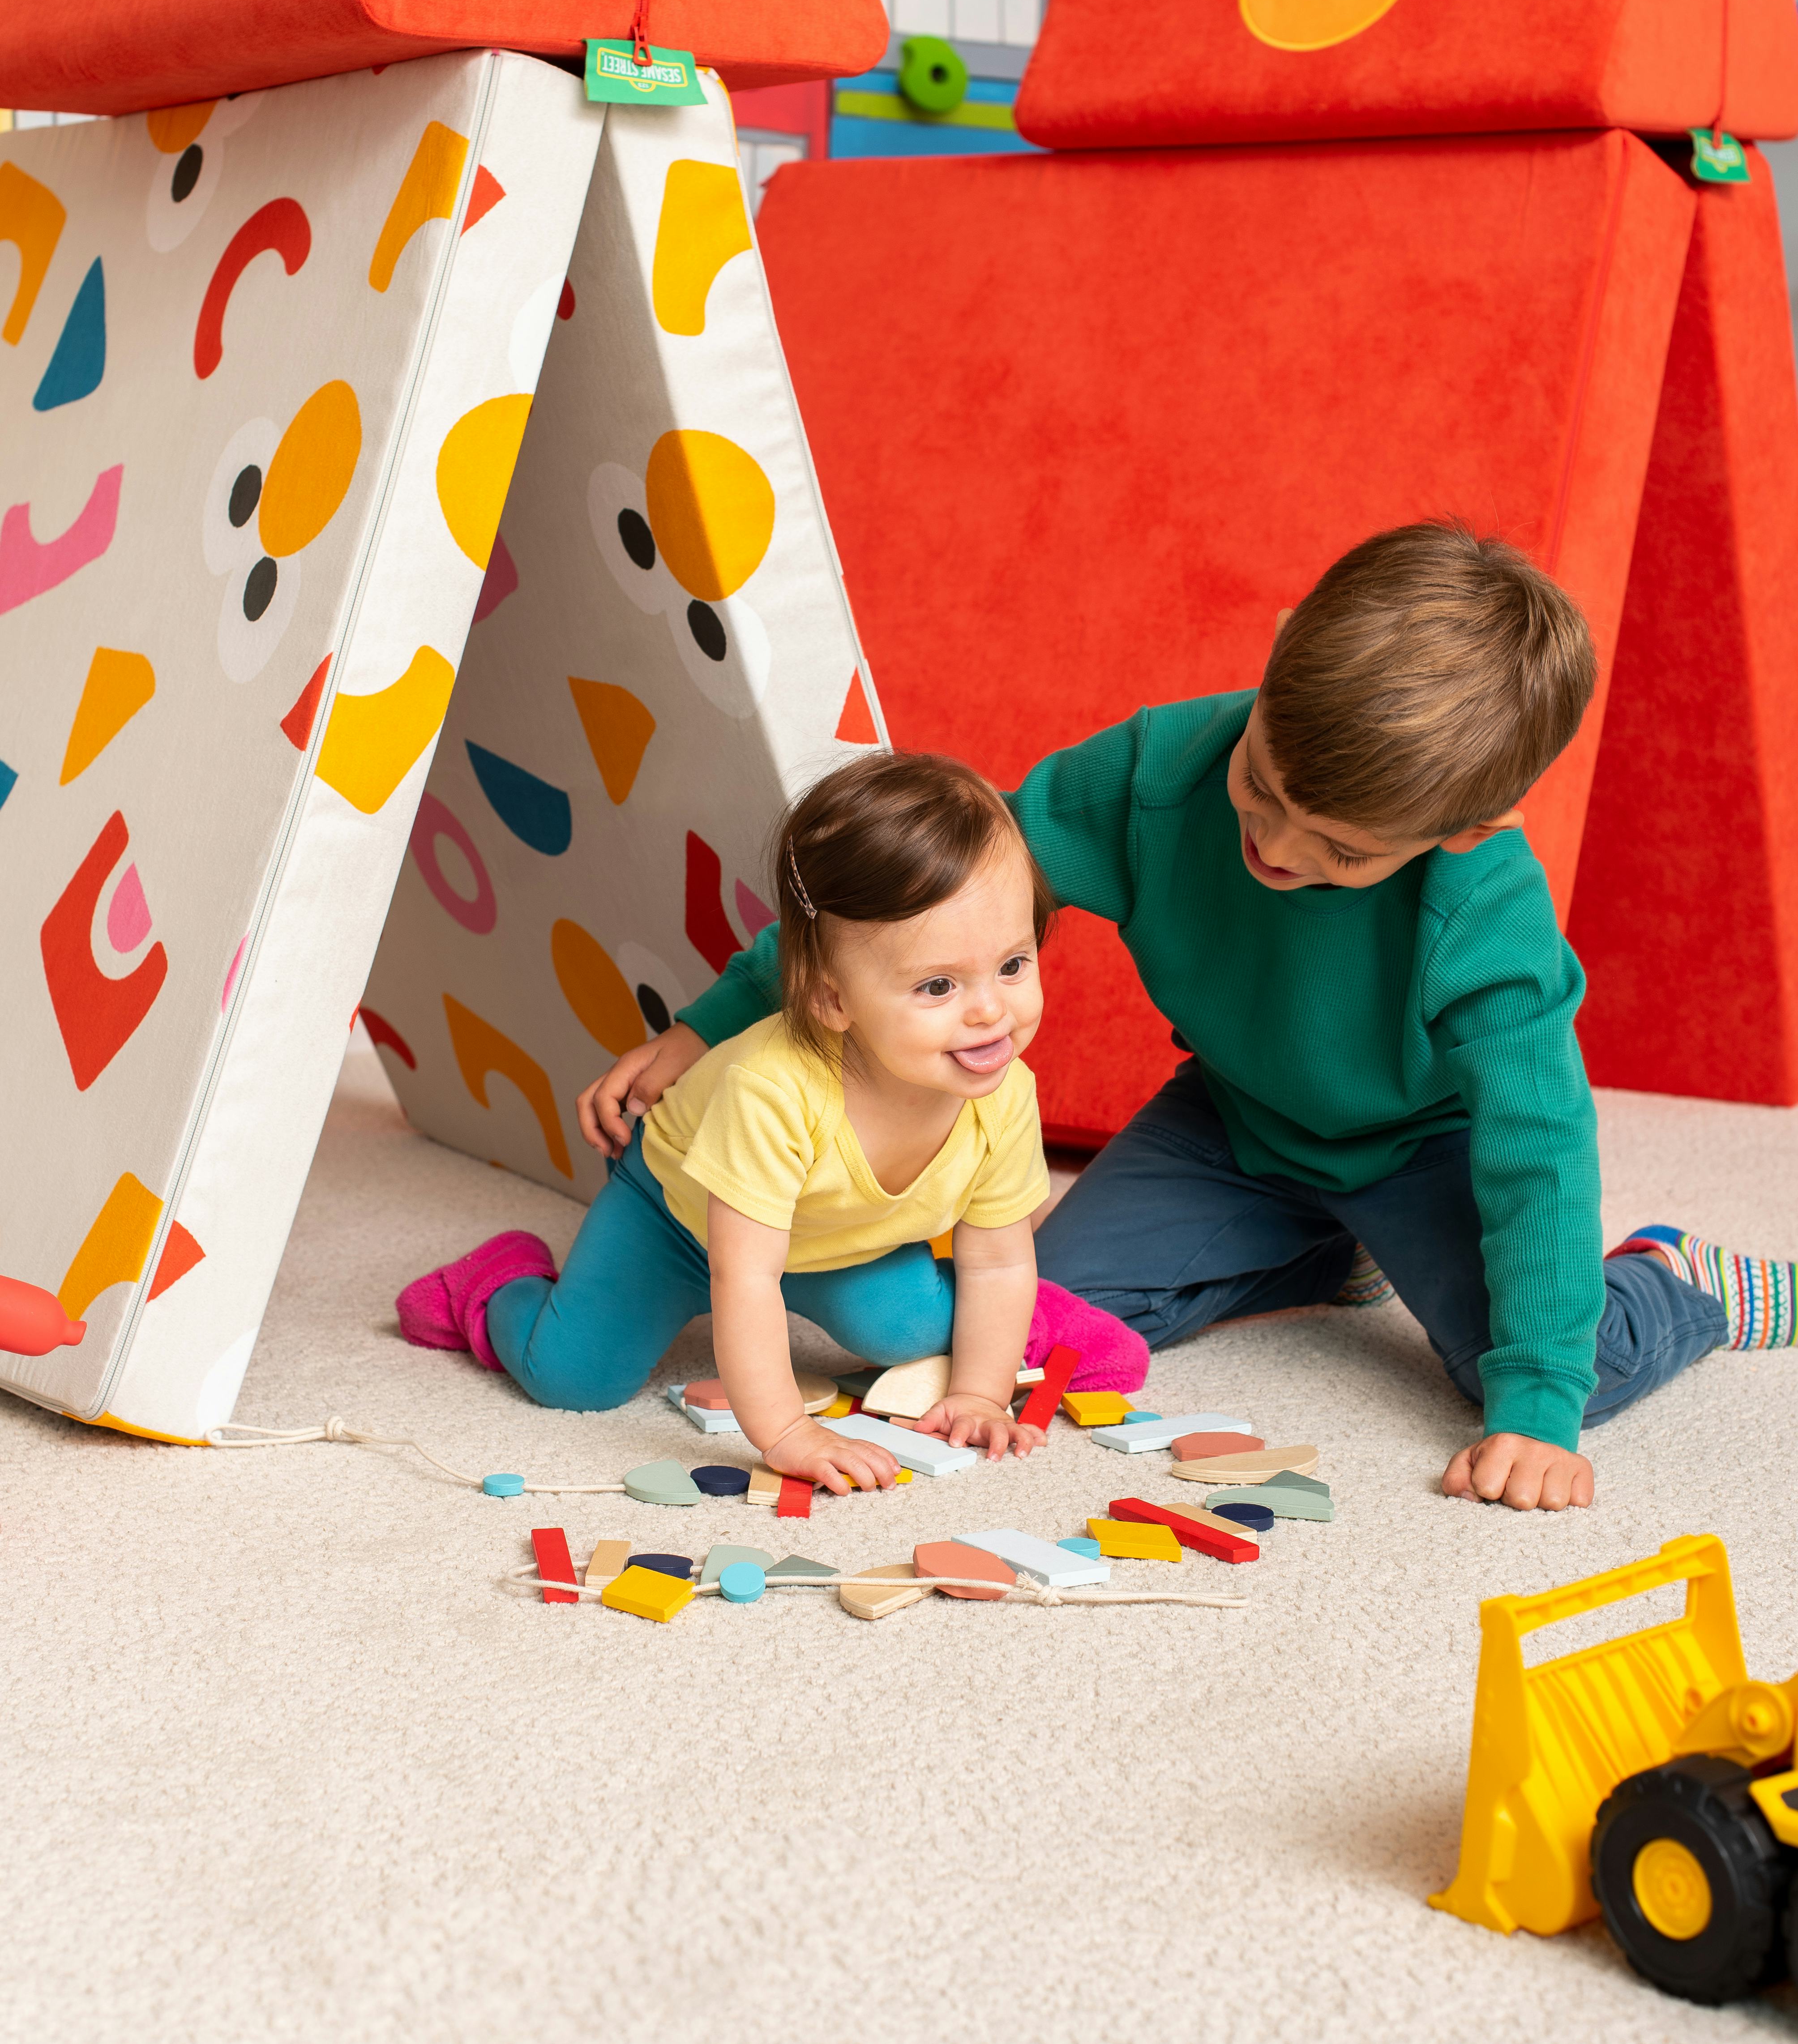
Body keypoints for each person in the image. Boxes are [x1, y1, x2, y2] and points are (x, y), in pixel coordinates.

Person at [592, 522, 1798, 1515]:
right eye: (1264, 790)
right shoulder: (1160, 766)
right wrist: (701, 1030)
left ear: (1465, 831)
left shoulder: (1484, 907)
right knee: (1024, 1321)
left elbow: (1534, 1151)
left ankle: (1671, 1282)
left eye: (1340, 850)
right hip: (1235, 1120)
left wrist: (1538, 1402)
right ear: (1274, 660)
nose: (1274, 847)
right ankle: (1327, 1249)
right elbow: (920, 909)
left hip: (1421, 1152)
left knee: (1543, 1372)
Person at [397, 753, 1145, 1490]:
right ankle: (496, 1284)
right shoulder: (771, 1089)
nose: (992, 1010)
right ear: (832, 1002)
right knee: (570, 1375)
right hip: (681, 1222)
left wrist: (981, 1393)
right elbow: (744, 1275)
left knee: (917, 1334)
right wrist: (788, 1432)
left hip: (838, 1240)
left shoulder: (1003, 1090)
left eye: (1014, 966)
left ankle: (1032, 1324)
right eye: (939, 985)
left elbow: (998, 1258)